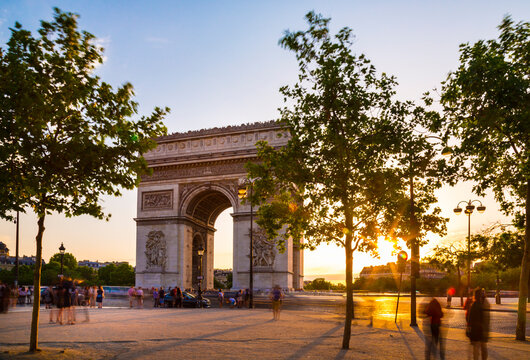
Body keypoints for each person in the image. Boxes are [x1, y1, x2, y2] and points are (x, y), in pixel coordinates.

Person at [466, 288, 490, 360]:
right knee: (483, 347)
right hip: (482, 329)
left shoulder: (474, 305)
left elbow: (470, 318)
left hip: (476, 330)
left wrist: (469, 328)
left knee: (476, 348)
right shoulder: (485, 303)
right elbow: (486, 318)